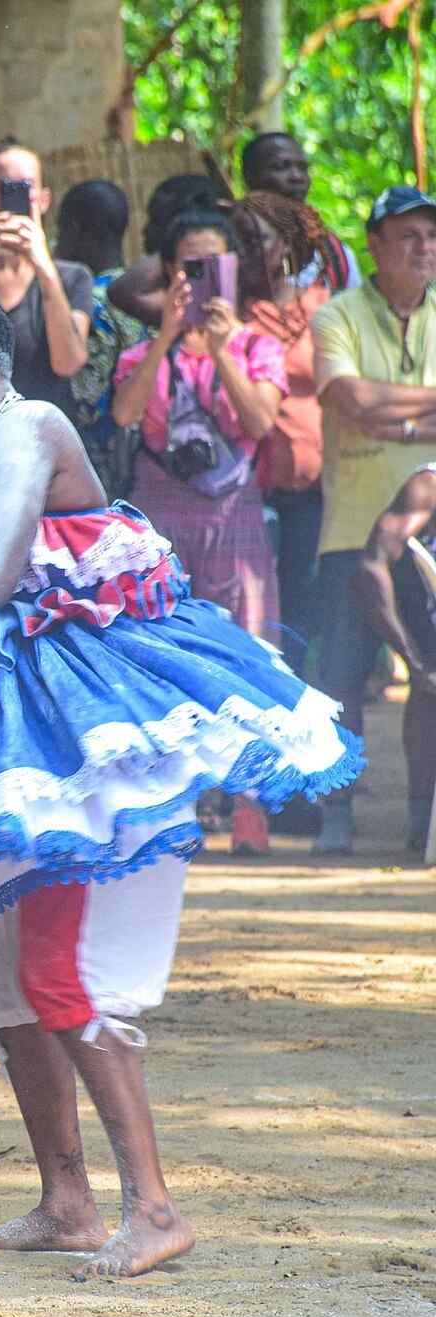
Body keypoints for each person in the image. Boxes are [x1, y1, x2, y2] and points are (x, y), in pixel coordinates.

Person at [0, 286, 360, 1278]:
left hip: (80, 758)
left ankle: (154, 1206)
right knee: (8, 990)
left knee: (55, 976)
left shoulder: (27, 427)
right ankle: (66, 1200)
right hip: (24, 747)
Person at [112, 211, 287, 854]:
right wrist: (165, 338)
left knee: (248, 652)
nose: (204, 279)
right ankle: (171, 805)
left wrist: (219, 350)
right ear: (168, 273)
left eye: (216, 264)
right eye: (189, 265)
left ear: (238, 271)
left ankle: (250, 808)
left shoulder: (257, 346)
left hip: (233, 515)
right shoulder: (140, 349)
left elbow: (262, 423)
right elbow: (126, 414)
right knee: (159, 658)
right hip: (160, 518)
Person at [311, 186, 436, 854]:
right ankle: (335, 817)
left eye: (431, 236)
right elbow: (348, 398)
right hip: (350, 523)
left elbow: (365, 403)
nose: (425, 248)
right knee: (339, 681)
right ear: (377, 246)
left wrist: (387, 411)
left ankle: (421, 819)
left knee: (430, 675)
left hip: (428, 537)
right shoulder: (337, 315)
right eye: (410, 236)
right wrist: (424, 417)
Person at [231, 192, 336, 676]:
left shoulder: (321, 306)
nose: (247, 250)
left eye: (258, 239)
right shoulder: (231, 310)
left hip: (318, 485)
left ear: (288, 244)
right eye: (238, 239)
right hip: (249, 488)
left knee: (304, 598)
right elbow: (132, 287)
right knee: (255, 605)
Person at [0, 138, 92, 422]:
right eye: (7, 188)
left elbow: (67, 362)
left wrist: (45, 269)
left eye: (26, 188)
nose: (19, 199)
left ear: (44, 200)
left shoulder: (73, 278)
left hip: (43, 445)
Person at [356, 463, 436, 851]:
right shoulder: (428, 486)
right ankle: (421, 825)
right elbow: (373, 564)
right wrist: (413, 659)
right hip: (428, 632)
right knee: (428, 691)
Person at [55, 179, 146, 497]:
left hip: (100, 463)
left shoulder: (86, 304)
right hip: (146, 458)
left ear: (75, 228)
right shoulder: (147, 295)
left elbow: (85, 401)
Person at [240, 133, 361, 291]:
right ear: (250, 176)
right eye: (281, 167)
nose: (297, 177)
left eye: (303, 168)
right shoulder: (230, 245)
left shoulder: (335, 254)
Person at [107, 174, 226, 328]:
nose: (146, 231)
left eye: (156, 221)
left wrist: (188, 236)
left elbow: (124, 291)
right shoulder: (177, 295)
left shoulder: (212, 290)